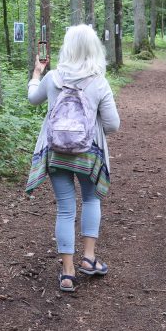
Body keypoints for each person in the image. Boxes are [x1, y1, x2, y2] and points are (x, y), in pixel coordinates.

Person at [27, 24, 121, 292]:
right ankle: (89, 259)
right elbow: (113, 125)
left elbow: (33, 98)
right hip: (87, 155)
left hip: (56, 153)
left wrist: (37, 72)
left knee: (65, 208)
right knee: (91, 199)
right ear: (94, 49)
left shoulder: (53, 78)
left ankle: (67, 273)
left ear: (66, 48)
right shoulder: (98, 82)